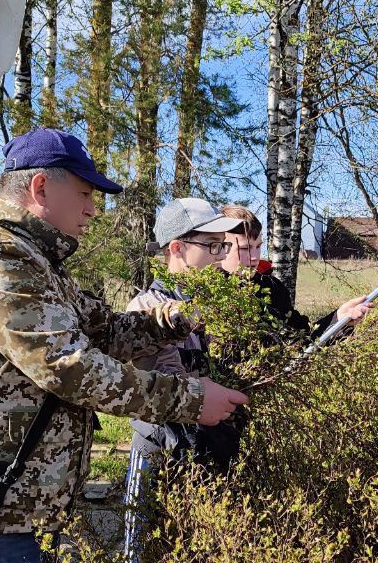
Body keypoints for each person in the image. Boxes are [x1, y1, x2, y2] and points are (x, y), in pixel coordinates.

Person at [0, 128, 247, 563]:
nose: (94, 210)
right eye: (85, 194)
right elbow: (68, 366)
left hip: (22, 507)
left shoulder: (39, 262)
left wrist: (179, 319)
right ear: (40, 187)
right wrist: (191, 400)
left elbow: (106, 332)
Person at [121, 197, 242, 560]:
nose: (222, 255)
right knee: (143, 548)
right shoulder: (144, 311)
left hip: (214, 448)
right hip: (161, 449)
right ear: (176, 248)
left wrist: (335, 323)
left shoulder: (223, 305)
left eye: (224, 246)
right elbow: (161, 385)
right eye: (212, 246)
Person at [217, 205, 372, 339]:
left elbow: (304, 336)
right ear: (218, 248)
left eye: (258, 247)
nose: (255, 257)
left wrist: (339, 319)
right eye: (245, 248)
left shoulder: (272, 288)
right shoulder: (203, 294)